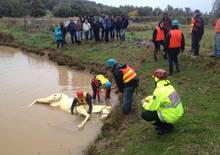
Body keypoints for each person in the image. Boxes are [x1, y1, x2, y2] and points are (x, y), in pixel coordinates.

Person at [141, 69, 184, 135]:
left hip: (171, 116)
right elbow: (159, 98)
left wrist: (144, 103)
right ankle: (165, 124)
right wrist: (147, 98)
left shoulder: (159, 91)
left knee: (146, 115)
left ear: (156, 79)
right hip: (177, 112)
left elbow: (151, 107)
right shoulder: (169, 86)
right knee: (157, 109)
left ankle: (167, 127)